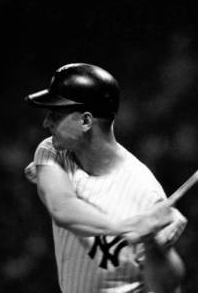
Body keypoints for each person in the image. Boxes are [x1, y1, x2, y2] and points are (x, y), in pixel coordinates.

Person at [24, 63, 186, 293]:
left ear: (86, 121)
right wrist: (126, 226)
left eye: (56, 114)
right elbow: (62, 209)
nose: (46, 122)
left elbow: (168, 287)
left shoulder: (145, 192)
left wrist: (152, 242)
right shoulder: (52, 150)